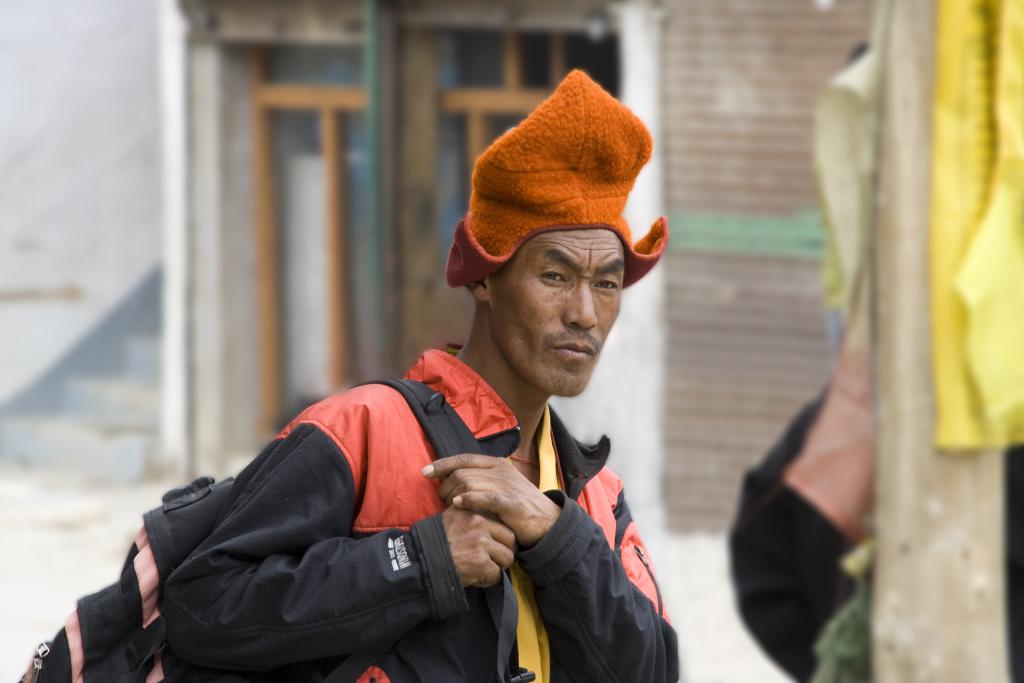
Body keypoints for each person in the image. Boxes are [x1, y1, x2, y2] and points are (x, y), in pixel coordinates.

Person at [160, 70, 678, 682]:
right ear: (484, 277)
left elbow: (652, 671)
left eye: (608, 283)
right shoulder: (363, 431)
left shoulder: (594, 494)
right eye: (555, 275)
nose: (585, 314)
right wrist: (421, 560)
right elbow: (201, 604)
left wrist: (555, 536)